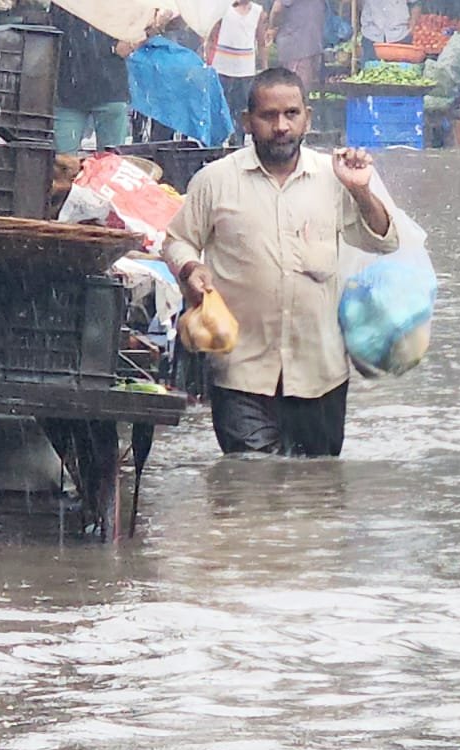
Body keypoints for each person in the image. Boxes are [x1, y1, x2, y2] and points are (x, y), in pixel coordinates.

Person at [162, 67, 400, 457]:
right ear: (247, 122)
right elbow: (177, 241)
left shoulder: (335, 177)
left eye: (291, 114)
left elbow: (384, 240)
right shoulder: (215, 180)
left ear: (308, 117)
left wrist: (361, 191)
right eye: (268, 116)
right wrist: (191, 269)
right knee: (252, 476)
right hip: (240, 372)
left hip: (320, 375)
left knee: (316, 484)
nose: (281, 127)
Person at [52, 7, 140, 154]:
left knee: (111, 161)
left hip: (108, 89)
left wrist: (134, 41)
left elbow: (145, 15)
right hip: (70, 92)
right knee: (62, 160)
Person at [208, 0, 267, 147]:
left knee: (242, 108)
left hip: (245, 69)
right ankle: (217, 142)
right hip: (222, 67)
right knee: (220, 106)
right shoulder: (224, 8)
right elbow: (211, 36)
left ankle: (238, 142)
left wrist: (264, 68)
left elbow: (261, 42)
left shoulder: (258, 12)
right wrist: (208, 61)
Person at [271, 0, 329, 95]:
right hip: (302, 46)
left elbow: (276, 10)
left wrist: (272, 28)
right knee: (298, 90)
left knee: (297, 90)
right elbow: (277, 10)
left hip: (300, 45)